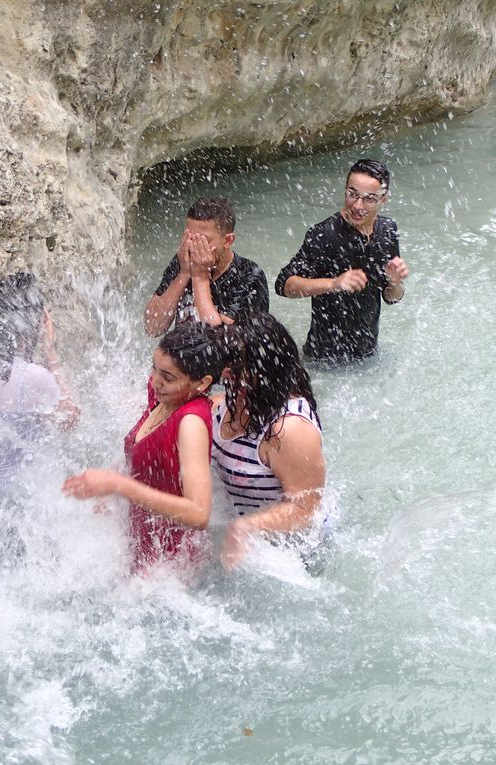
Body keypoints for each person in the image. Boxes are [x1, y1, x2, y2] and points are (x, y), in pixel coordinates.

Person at [63, 322, 222, 571]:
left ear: (202, 383)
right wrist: (110, 485)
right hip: (141, 543)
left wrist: (117, 485)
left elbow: (199, 514)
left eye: (167, 377)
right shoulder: (162, 397)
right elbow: (146, 458)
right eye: (155, 368)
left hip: (168, 566)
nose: (156, 381)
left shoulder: (190, 423)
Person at [211, 313, 330, 569]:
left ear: (263, 371)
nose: (225, 374)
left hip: (291, 553)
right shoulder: (226, 403)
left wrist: (244, 528)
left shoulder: (290, 430)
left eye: (235, 368)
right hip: (242, 532)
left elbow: (306, 508)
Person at [274, 159, 410, 361]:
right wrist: (334, 283)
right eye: (352, 194)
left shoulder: (388, 230)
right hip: (325, 360)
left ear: (383, 199)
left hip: (368, 354)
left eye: (369, 198)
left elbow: (392, 298)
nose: (357, 205)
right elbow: (283, 285)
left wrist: (394, 282)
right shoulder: (324, 234)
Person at [0, 272, 80, 491]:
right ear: (34, 323)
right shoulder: (33, 378)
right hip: (19, 495)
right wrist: (50, 350)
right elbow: (70, 419)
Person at [144, 197, 269, 336]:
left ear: (228, 240)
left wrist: (200, 277)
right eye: (190, 238)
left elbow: (218, 341)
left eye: (203, 241)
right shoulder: (183, 261)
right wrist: (184, 274)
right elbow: (152, 328)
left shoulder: (249, 274)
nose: (194, 247)